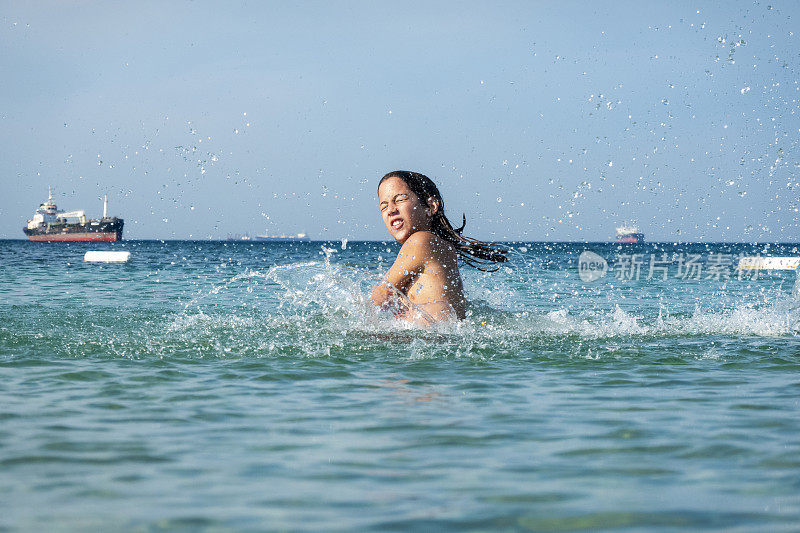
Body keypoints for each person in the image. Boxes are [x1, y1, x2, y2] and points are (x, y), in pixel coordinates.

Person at [370, 170, 508, 324]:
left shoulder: (420, 241)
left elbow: (380, 296)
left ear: (430, 206)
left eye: (400, 199)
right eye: (384, 207)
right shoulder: (439, 245)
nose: (391, 210)